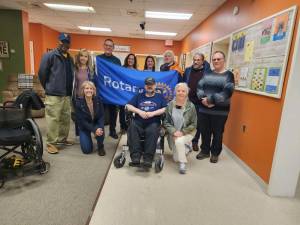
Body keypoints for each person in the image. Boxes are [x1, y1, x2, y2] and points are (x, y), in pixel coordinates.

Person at [38, 33, 74, 154]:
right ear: (58, 42)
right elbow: (42, 74)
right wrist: (48, 87)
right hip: (53, 94)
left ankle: (62, 139)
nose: (65, 44)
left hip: (67, 94)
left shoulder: (70, 58)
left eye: (67, 42)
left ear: (69, 44)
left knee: (65, 118)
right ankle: (51, 143)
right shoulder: (49, 56)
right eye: (62, 42)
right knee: (53, 119)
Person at [196, 51, 235, 163]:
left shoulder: (229, 75)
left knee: (217, 133)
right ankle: (204, 151)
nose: (216, 61)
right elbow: (199, 86)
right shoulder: (207, 73)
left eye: (219, 59)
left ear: (224, 60)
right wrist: (203, 99)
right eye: (214, 59)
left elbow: (227, 92)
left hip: (220, 112)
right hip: (204, 109)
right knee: (205, 131)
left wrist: (210, 100)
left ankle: (215, 153)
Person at [126, 77, 167, 168]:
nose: (149, 86)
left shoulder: (160, 97)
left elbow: (165, 108)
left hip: (153, 122)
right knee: (132, 127)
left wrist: (153, 113)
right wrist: (139, 111)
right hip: (138, 121)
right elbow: (128, 106)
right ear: (145, 86)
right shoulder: (138, 96)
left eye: (151, 85)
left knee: (152, 130)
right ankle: (135, 157)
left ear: (155, 86)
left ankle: (148, 158)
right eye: (148, 85)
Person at [163, 83, 197, 174]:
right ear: (175, 92)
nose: (181, 93)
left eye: (183, 91)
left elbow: (194, 124)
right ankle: (187, 147)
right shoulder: (170, 105)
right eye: (178, 91)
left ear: (187, 93)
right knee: (175, 158)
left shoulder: (191, 106)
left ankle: (183, 163)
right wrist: (174, 132)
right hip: (174, 132)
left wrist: (182, 132)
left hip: (188, 132)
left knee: (179, 142)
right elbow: (166, 121)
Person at [183, 53, 211, 151]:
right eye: (194, 59)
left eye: (198, 60)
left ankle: (195, 142)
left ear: (203, 61)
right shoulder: (187, 70)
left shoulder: (207, 72)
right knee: (186, 122)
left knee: (198, 124)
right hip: (188, 101)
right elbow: (183, 83)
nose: (196, 61)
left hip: (200, 102)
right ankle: (186, 141)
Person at [98, 39, 121, 139]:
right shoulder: (98, 58)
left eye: (110, 46)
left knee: (113, 113)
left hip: (112, 92)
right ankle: (99, 131)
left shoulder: (117, 61)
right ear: (103, 46)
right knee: (100, 113)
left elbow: (119, 75)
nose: (108, 47)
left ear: (113, 48)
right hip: (101, 91)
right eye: (106, 45)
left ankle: (112, 131)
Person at [75, 81, 105, 156]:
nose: (89, 90)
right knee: (87, 150)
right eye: (86, 88)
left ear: (94, 90)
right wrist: (94, 130)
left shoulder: (98, 100)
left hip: (95, 123)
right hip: (85, 126)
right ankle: (88, 138)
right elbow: (82, 121)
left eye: (91, 88)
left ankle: (100, 146)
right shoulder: (78, 103)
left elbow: (101, 115)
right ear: (83, 90)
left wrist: (99, 128)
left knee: (100, 130)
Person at [73, 49, 95, 136]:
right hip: (77, 97)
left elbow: (93, 83)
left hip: (88, 97)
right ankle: (80, 134)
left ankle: (91, 131)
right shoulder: (75, 69)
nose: (83, 58)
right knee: (78, 117)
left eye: (85, 56)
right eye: (81, 55)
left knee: (89, 115)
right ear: (79, 57)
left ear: (88, 58)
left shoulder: (91, 70)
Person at [119, 53, 137, 134]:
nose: (130, 60)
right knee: (122, 111)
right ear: (127, 59)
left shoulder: (137, 71)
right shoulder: (122, 69)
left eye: (132, 59)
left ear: (134, 61)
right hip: (122, 93)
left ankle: (130, 127)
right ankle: (123, 127)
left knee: (131, 111)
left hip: (132, 94)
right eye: (129, 58)